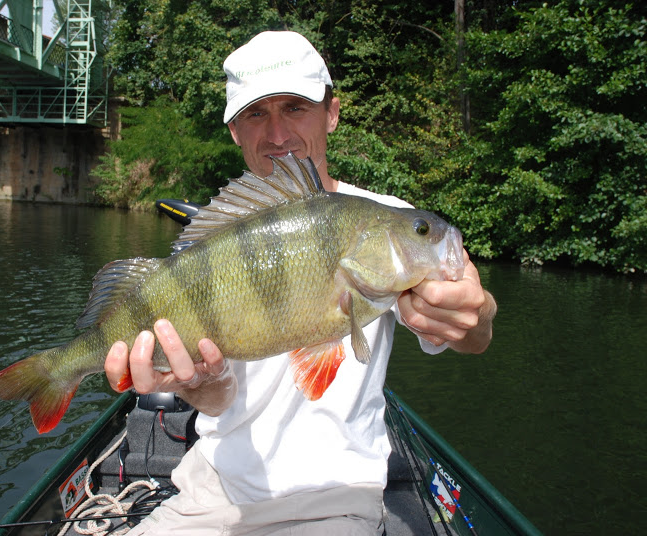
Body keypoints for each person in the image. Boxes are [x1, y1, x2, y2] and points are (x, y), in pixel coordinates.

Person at [104, 31, 497, 535]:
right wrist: (195, 384)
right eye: (255, 114)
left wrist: (476, 311)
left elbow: (473, 334)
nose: (277, 133)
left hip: (334, 499)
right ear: (233, 131)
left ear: (331, 113)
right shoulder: (220, 238)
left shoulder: (389, 224)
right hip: (210, 488)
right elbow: (220, 400)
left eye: (294, 107)